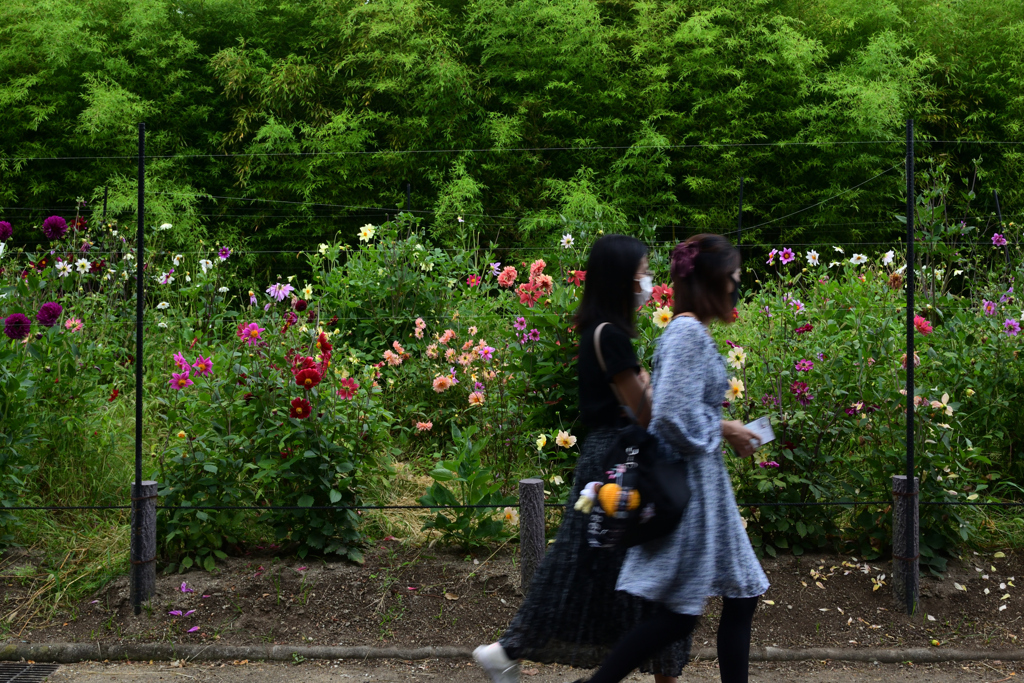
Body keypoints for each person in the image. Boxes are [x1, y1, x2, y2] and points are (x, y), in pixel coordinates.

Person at [474, 234, 690, 683]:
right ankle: (510, 648)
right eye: (642, 272)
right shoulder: (611, 336)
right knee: (628, 563)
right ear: (622, 279)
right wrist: (655, 383)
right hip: (619, 460)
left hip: (604, 456)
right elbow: (645, 411)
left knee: (587, 564)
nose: (648, 281)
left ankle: (510, 649)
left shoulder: (597, 331)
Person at [575, 234, 770, 683]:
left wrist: (727, 432)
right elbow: (670, 415)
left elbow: (677, 409)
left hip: (708, 486)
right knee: (686, 613)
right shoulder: (685, 333)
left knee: (737, 596)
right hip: (695, 488)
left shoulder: (691, 332)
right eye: (733, 278)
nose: (736, 287)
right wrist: (725, 430)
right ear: (712, 282)